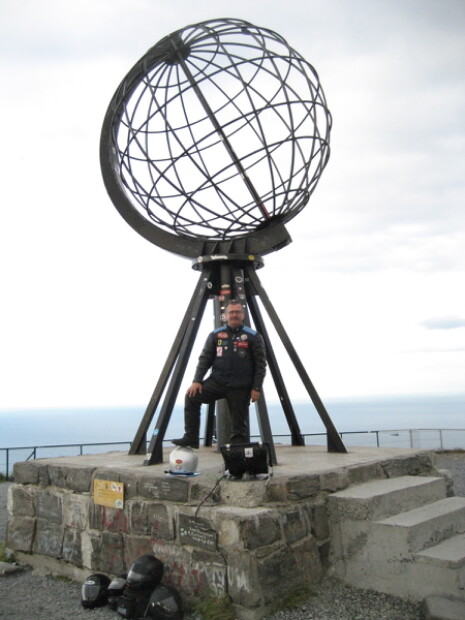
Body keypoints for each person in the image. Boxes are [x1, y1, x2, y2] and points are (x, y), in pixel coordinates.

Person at [172, 300, 267, 448]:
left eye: (237, 312)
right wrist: (197, 380)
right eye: (231, 312)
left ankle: (237, 456)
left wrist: (256, 388)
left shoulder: (253, 336)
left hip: (240, 386)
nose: (234, 315)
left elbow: (260, 365)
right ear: (226, 315)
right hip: (218, 382)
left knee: (239, 428)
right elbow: (205, 359)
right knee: (191, 397)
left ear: (243, 315)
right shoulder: (216, 335)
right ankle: (191, 437)